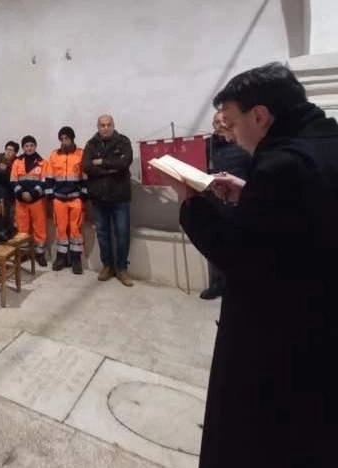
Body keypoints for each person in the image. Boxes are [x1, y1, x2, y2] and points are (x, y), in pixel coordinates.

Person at [178, 63, 338, 468]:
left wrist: (190, 203)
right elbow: (309, 209)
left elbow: (237, 253)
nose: (229, 132)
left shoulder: (281, 164)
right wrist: (252, 193)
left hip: (281, 338)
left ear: (260, 116)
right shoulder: (325, 141)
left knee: (257, 440)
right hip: (321, 322)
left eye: (232, 122)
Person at [199, 111, 251, 300]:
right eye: (216, 121)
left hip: (241, 202)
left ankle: (241, 284)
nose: (220, 124)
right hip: (213, 201)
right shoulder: (207, 144)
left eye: (223, 120)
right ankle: (217, 284)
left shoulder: (243, 142)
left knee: (242, 245)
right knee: (215, 242)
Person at [83, 114, 134, 286]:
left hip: (120, 197)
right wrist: (110, 168)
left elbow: (124, 162)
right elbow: (87, 166)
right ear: (98, 127)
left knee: (122, 233)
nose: (105, 128)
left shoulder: (123, 142)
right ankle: (107, 266)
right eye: (102, 125)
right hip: (99, 198)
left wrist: (101, 162)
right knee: (103, 234)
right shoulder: (91, 144)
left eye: (108, 124)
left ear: (113, 125)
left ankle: (121, 268)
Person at [46, 126, 85, 274]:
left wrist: (84, 194)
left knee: (75, 230)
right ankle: (61, 258)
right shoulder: (54, 155)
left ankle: (76, 260)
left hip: (76, 198)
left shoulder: (81, 154)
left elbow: (85, 175)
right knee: (61, 229)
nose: (64, 141)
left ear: (72, 138)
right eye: (61, 139)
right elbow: (49, 175)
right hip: (59, 199)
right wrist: (50, 194)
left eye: (66, 138)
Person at [10, 135, 49, 266]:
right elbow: (13, 181)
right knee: (22, 227)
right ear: (23, 148)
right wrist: (22, 193)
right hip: (21, 201)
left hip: (37, 201)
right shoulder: (17, 162)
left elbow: (45, 182)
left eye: (31, 145)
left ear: (35, 146)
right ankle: (23, 253)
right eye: (26, 146)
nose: (29, 148)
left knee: (40, 227)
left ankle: (40, 254)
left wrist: (32, 193)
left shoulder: (43, 162)